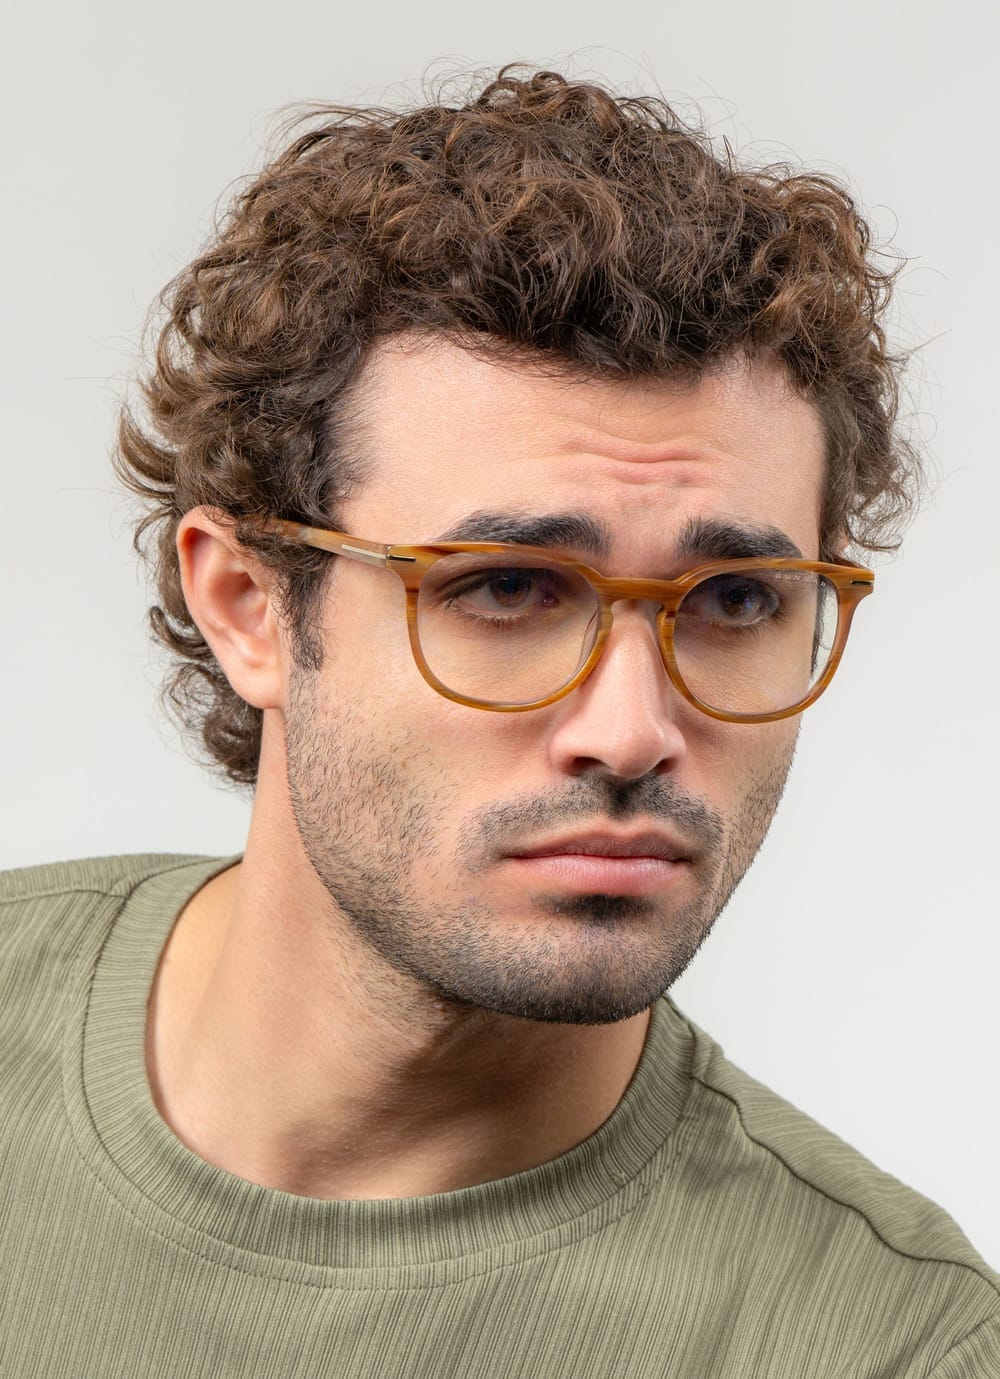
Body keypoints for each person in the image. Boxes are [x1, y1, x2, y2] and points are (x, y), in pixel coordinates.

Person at [0, 66, 996, 1378]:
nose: (631, 732)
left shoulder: (890, 1350)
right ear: (248, 605)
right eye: (509, 589)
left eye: (736, 600)